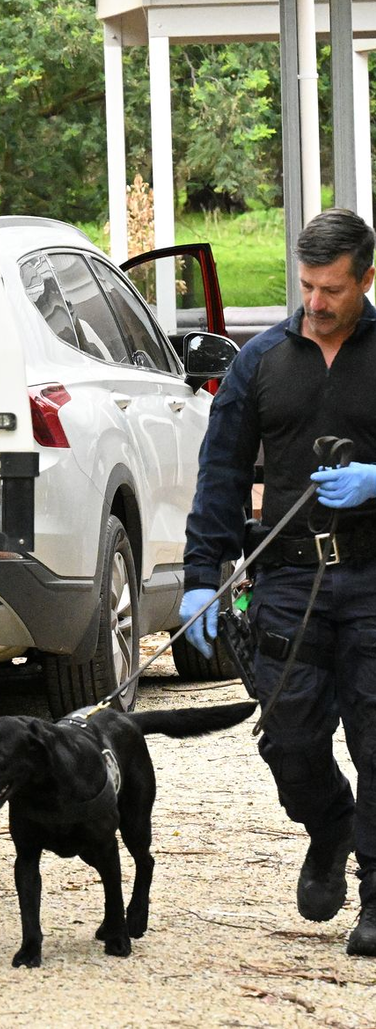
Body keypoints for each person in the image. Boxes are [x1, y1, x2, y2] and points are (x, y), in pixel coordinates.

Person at [181, 207, 376, 957]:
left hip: (372, 575)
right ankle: (330, 825)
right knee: (289, 741)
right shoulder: (260, 362)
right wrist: (203, 576)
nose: (316, 303)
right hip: (290, 576)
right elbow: (221, 474)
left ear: (365, 278)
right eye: (306, 287)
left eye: (332, 289)